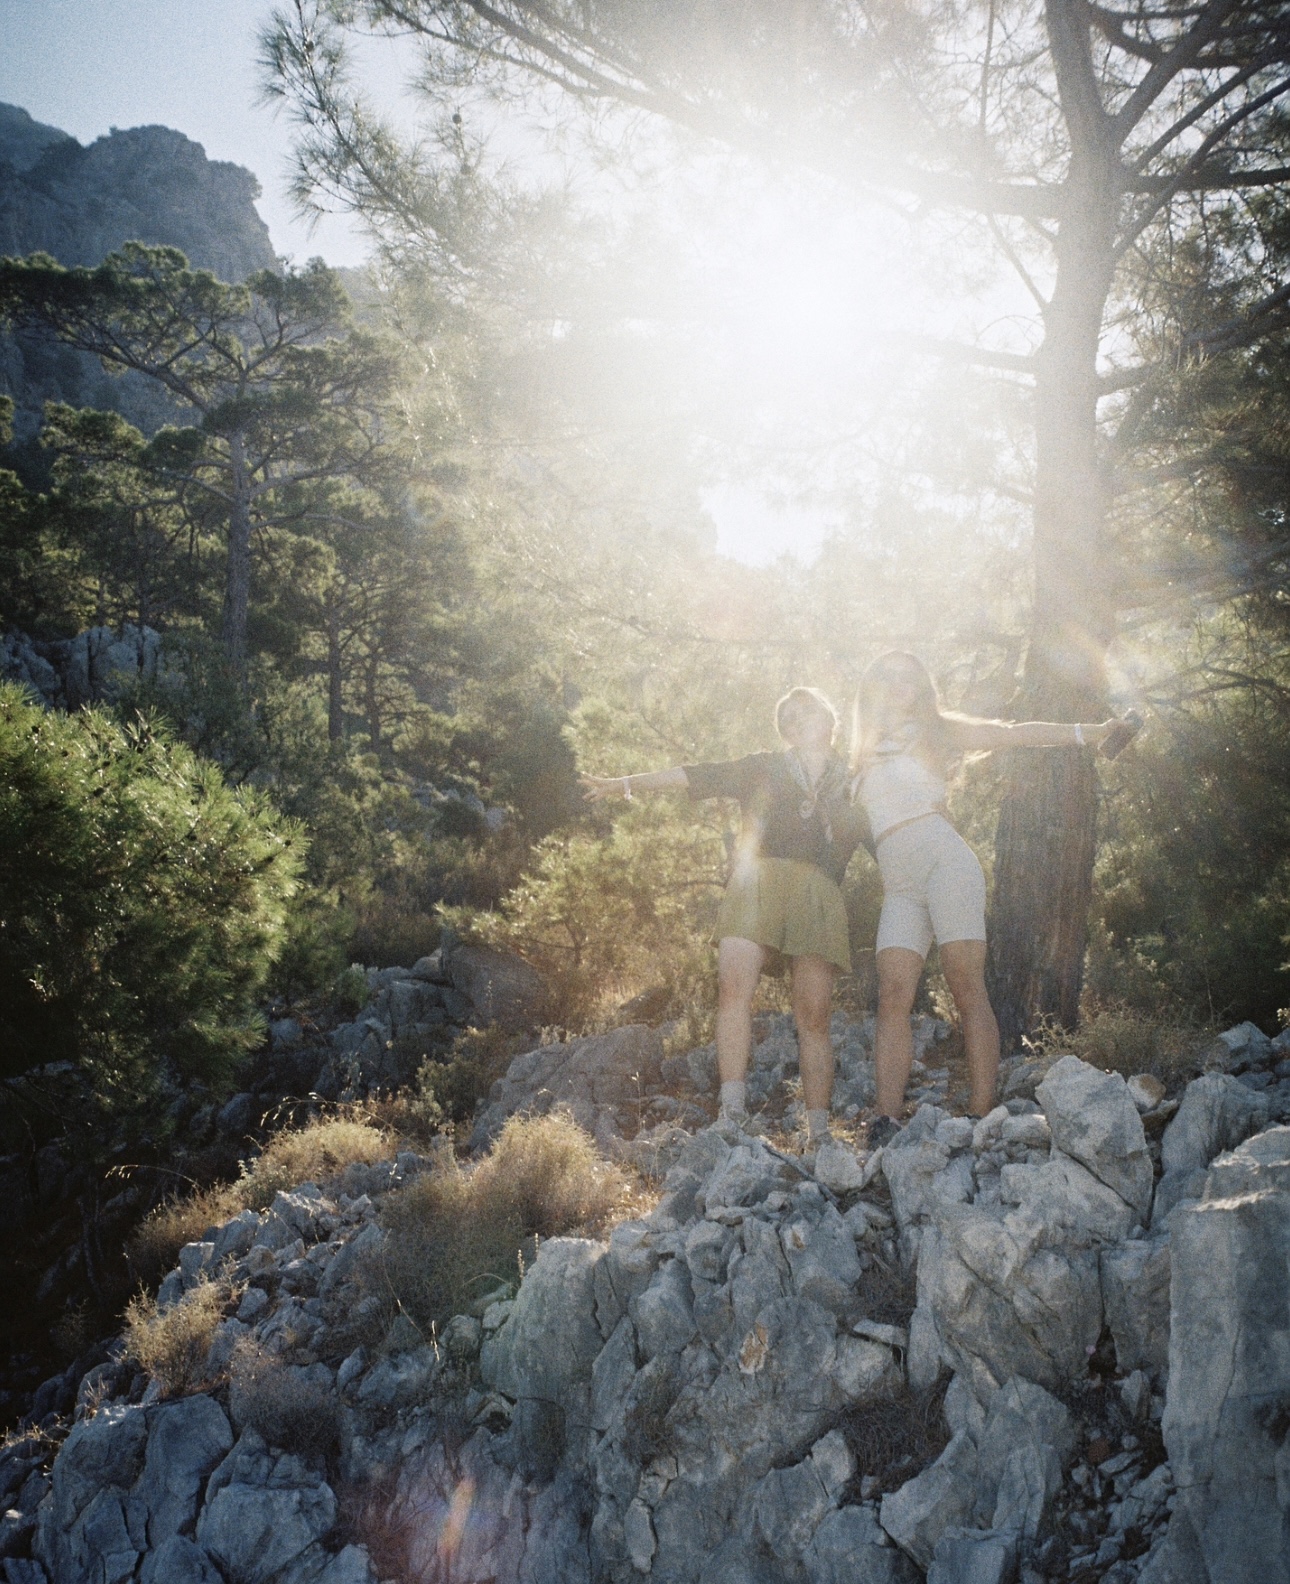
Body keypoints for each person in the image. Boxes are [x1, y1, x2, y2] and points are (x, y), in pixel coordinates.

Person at [850, 651, 1136, 1143]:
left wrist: (1090, 732)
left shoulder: (936, 730)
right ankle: (886, 1116)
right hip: (899, 886)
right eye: (885, 677)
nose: (897, 684)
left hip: (946, 863)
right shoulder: (860, 753)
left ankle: (981, 1113)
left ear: (921, 686)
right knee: (893, 994)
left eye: (907, 676)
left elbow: (1012, 733)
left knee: (965, 983)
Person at [581, 687, 871, 1146]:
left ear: (830, 719)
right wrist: (625, 784)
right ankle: (732, 1114)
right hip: (755, 882)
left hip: (818, 892)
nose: (800, 721)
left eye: (810, 711)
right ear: (786, 732)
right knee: (733, 989)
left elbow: (887, 842)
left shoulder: (855, 781)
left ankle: (819, 1132)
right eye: (790, 718)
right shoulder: (763, 766)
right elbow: (696, 776)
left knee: (814, 1016)